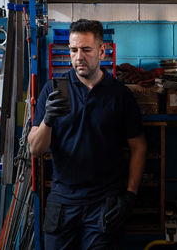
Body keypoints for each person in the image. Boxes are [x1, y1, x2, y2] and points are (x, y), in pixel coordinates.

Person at [28, 19, 147, 249]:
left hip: (104, 205)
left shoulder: (119, 95)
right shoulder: (53, 89)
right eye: (73, 50)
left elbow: (139, 146)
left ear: (102, 51)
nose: (79, 57)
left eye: (86, 49)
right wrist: (47, 120)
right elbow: (35, 149)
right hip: (63, 203)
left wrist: (130, 195)